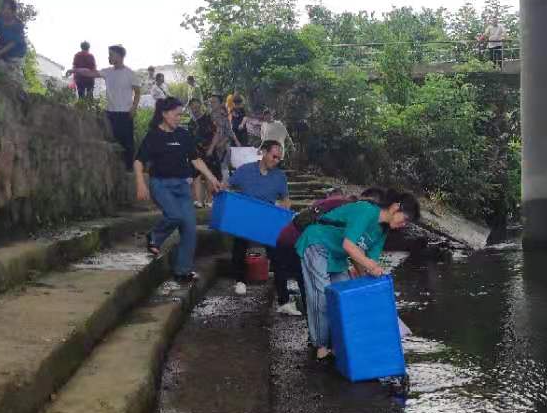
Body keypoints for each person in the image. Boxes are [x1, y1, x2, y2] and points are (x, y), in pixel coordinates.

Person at [296, 191, 421, 361]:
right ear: (395, 207)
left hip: (337, 256)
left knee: (344, 298)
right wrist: (370, 266)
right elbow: (349, 245)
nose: (404, 224)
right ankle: (321, 346)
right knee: (322, 296)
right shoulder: (366, 211)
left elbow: (367, 261)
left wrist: (369, 287)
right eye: (404, 219)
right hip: (318, 244)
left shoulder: (381, 231)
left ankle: (336, 343)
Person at [134, 97, 224, 283]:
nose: (179, 118)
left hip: (182, 186)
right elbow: (138, 161)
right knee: (175, 216)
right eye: (176, 115)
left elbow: (196, 160)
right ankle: (155, 236)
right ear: (164, 114)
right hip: (160, 184)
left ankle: (183, 271)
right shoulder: (153, 136)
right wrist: (141, 183)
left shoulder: (183, 135)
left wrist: (212, 178)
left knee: (190, 228)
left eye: (180, 115)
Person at [272, 187, 388, 316]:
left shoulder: (352, 208)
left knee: (308, 281)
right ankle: (308, 316)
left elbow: (352, 247)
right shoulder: (353, 209)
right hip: (295, 238)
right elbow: (349, 246)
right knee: (307, 281)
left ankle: (312, 315)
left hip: (296, 236)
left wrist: (362, 276)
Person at [226, 139, 290, 294]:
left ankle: (284, 299)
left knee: (278, 255)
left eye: (278, 159)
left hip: (266, 218)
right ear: (264, 153)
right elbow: (227, 186)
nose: (276, 161)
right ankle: (240, 280)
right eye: (273, 156)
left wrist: (284, 212)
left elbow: (285, 200)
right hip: (245, 215)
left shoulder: (280, 176)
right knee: (239, 245)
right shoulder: (245, 170)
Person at [69, 45, 141, 168]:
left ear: (119, 56)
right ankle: (113, 168)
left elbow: (138, 92)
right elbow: (90, 72)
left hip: (125, 114)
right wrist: (75, 70)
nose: (109, 57)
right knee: (110, 140)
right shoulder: (108, 72)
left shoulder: (130, 74)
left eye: (111, 54)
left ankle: (129, 170)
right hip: (109, 113)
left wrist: (133, 108)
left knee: (127, 143)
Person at [0, 0, 28, 65]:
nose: (5, 11)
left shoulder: (18, 25)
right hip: (2, 47)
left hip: (17, 53)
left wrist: (0, 53)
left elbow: (13, 43)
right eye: (3, 8)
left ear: (14, 12)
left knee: (10, 71)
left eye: (8, 9)